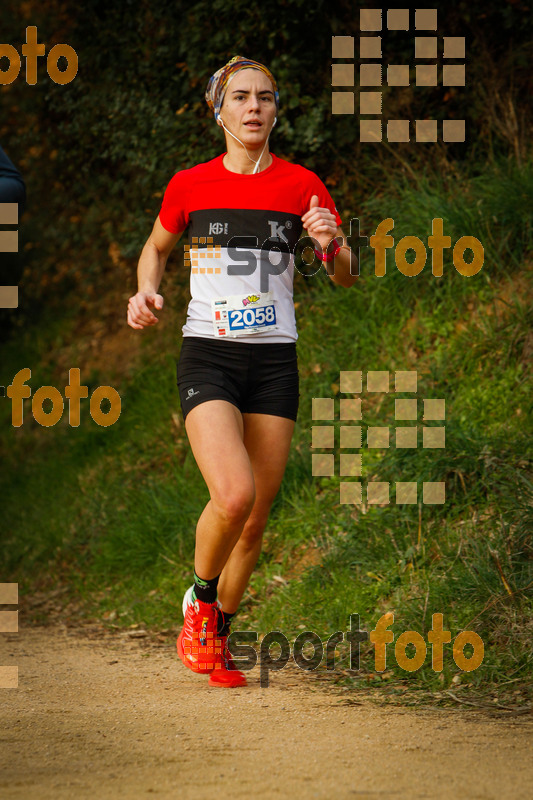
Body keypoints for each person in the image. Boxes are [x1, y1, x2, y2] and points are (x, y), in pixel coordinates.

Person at [127, 55, 357, 688]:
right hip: (209, 355)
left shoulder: (302, 184)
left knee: (255, 521)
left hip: (275, 362)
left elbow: (345, 273)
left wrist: (331, 240)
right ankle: (200, 602)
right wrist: (145, 290)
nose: (254, 107)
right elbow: (156, 248)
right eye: (241, 98)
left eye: (265, 97)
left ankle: (218, 632)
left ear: (276, 110)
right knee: (234, 495)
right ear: (219, 111)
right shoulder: (190, 184)